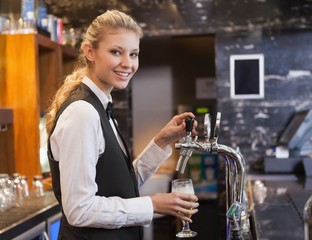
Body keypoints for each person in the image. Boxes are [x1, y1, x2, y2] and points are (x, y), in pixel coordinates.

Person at [46, 9, 199, 240]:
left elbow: (118, 185)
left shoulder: (100, 107)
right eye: (116, 52)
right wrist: (152, 205)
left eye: (134, 54)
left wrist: (161, 142)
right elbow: (80, 210)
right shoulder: (83, 113)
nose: (128, 63)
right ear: (90, 52)